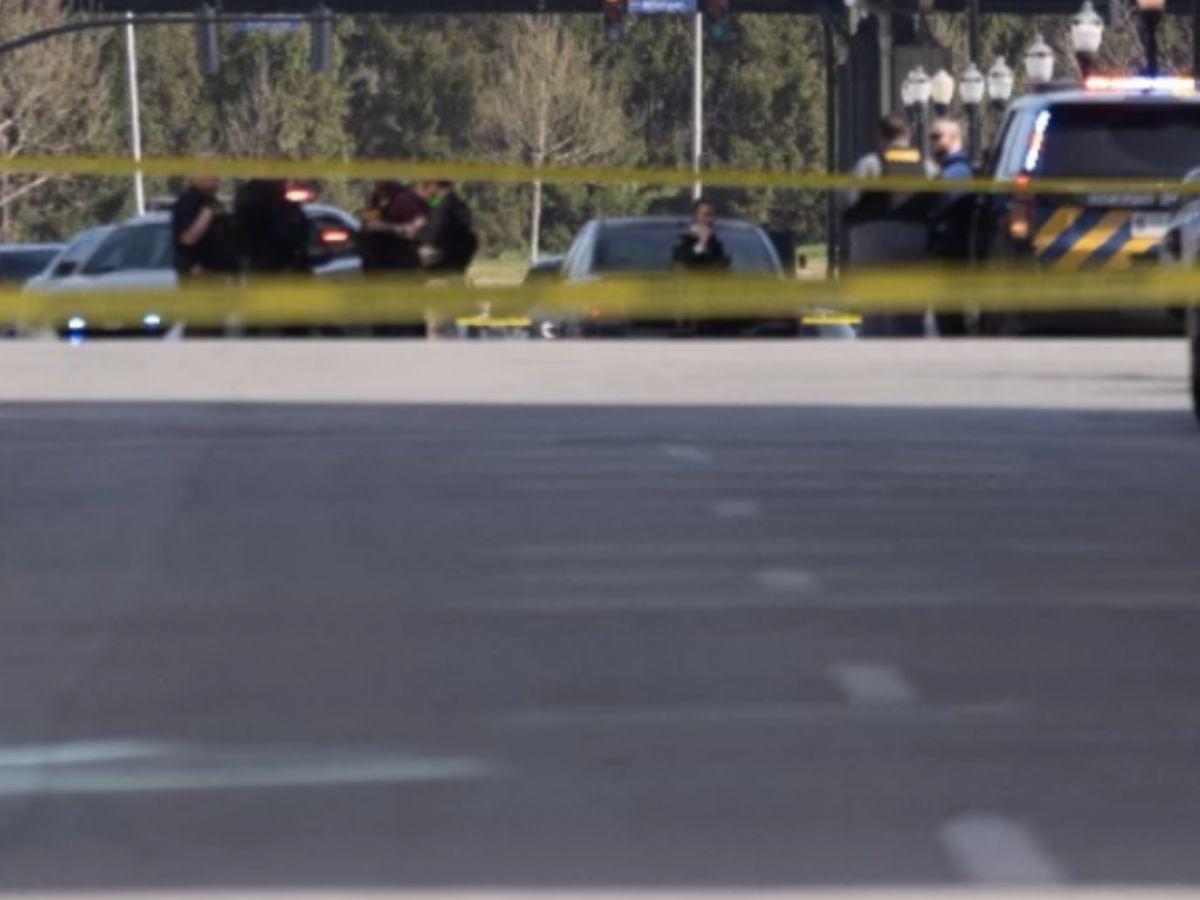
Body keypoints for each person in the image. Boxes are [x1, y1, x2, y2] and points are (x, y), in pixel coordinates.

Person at [842, 114, 936, 335]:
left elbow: (847, 198)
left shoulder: (872, 164)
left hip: (873, 248)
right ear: (909, 136)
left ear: (881, 137)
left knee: (875, 316)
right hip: (915, 246)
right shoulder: (927, 167)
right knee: (911, 313)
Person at [927, 118, 976, 336]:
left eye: (937, 136)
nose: (932, 142)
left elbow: (936, 207)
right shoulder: (951, 171)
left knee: (949, 316)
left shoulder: (956, 173)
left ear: (954, 137)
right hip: (950, 251)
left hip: (953, 253)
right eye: (931, 137)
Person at [234, 180, 312, 275]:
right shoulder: (277, 198)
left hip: (256, 261)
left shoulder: (248, 194)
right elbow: (287, 233)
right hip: (277, 262)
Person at [171, 174, 235, 280]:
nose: (218, 184)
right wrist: (208, 212)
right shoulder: (188, 202)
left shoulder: (211, 202)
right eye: (214, 179)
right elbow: (188, 238)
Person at [359, 181, 428, 274]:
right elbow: (368, 223)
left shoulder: (401, 196)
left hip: (400, 258)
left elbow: (420, 220)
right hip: (379, 259)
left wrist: (408, 228)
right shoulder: (377, 196)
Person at [414, 181, 478, 275]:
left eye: (426, 186)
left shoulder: (444, 206)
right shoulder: (457, 203)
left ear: (434, 186)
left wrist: (417, 233)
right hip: (460, 253)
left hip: (444, 253)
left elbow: (432, 237)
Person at [673, 199, 731, 270]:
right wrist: (702, 242)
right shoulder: (682, 241)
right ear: (695, 216)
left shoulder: (716, 244)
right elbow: (685, 262)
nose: (711, 219)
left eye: (713, 215)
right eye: (706, 215)